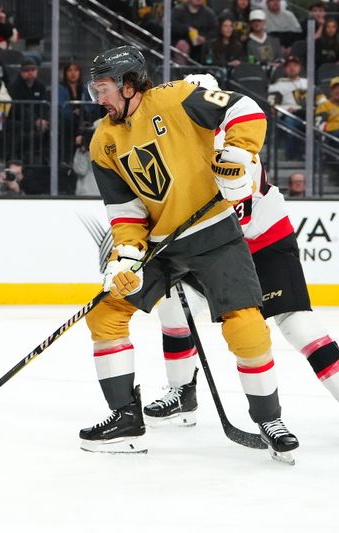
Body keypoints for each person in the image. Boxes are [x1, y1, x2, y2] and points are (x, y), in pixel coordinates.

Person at [80, 46, 298, 460]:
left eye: (105, 89)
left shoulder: (177, 97)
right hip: (160, 244)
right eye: (96, 91)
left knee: (244, 323)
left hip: (214, 231)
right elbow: (125, 212)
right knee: (106, 314)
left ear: (129, 85)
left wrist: (236, 151)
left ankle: (269, 418)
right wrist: (125, 256)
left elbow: (246, 109)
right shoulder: (103, 141)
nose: (100, 99)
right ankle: (126, 419)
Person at [143, 75, 339, 434]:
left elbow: (239, 219)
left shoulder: (232, 149)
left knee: (296, 324)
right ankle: (183, 394)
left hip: (261, 242)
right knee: (173, 306)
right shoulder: (177, 144)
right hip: (213, 249)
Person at [268, 55, 307, 159]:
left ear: (300, 68)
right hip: (288, 114)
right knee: (290, 122)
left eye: (295, 65)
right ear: (285, 69)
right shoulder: (278, 84)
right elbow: (272, 105)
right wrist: (285, 110)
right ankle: (292, 155)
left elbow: (320, 101)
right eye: (289, 66)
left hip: (306, 114)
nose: (292, 68)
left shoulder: (307, 83)